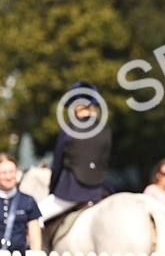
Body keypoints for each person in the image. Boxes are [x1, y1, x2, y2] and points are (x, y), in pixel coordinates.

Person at [40, 81, 112, 221]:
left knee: (34, 217)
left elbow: (58, 164)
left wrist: (53, 188)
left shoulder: (69, 129)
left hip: (72, 189)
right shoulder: (105, 129)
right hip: (99, 189)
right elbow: (104, 162)